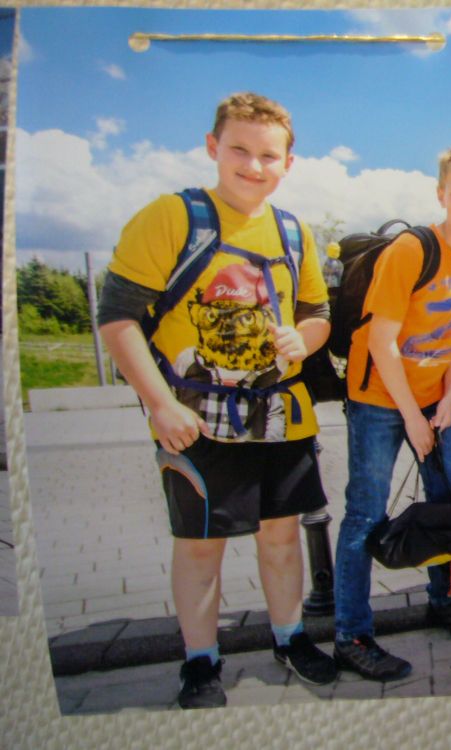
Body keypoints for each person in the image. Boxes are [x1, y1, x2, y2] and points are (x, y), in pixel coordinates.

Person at [98, 92, 337, 709]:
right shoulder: (172, 217)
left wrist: (305, 337)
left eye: (268, 156)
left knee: (281, 536)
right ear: (213, 147)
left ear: (288, 162)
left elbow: (317, 313)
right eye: (239, 150)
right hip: (196, 418)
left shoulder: (294, 232)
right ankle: (201, 660)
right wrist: (159, 404)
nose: (253, 166)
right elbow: (117, 318)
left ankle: (289, 638)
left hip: (281, 417)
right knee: (201, 545)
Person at [334, 145, 451, 681]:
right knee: (366, 513)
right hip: (380, 398)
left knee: (446, 503)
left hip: (434, 398)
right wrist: (411, 415)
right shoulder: (411, 250)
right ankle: (352, 633)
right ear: (441, 195)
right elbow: (381, 341)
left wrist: (450, 397)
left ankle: (443, 599)